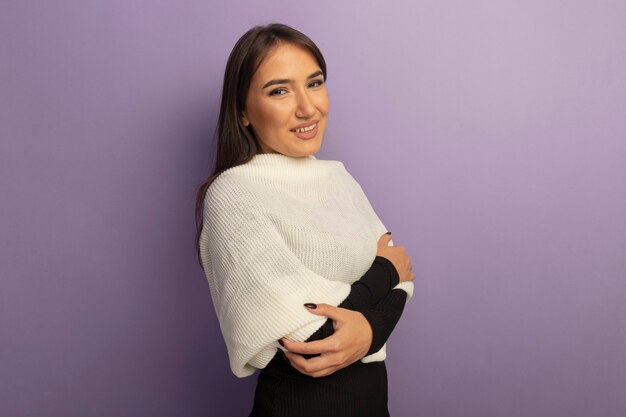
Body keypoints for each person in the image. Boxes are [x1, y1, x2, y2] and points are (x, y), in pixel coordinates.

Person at [194, 23, 415, 417]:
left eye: (314, 83)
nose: (307, 107)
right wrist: (383, 280)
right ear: (243, 111)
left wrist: (371, 315)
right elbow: (312, 337)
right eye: (279, 90)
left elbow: (406, 276)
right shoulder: (234, 193)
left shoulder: (339, 179)